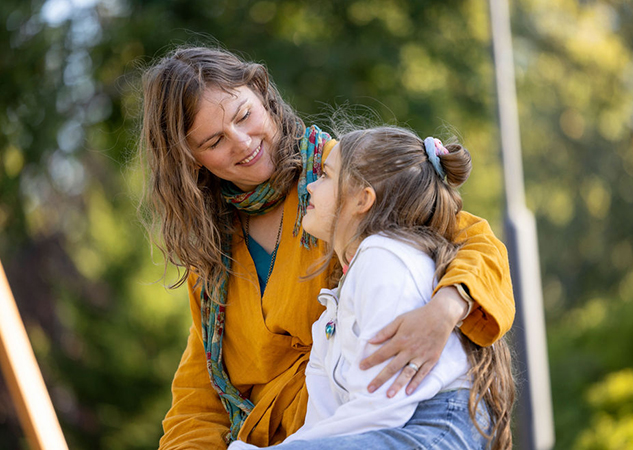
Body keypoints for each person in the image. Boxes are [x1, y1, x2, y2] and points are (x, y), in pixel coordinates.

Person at [138, 46, 515, 449]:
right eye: (215, 141)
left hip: (382, 424)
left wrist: (445, 309)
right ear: (190, 159)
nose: (243, 142)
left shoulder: (345, 176)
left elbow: (475, 242)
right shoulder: (210, 252)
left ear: (262, 95)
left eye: (245, 116)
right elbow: (200, 398)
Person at [228, 127, 515, 450]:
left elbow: (382, 408)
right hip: (392, 426)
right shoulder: (334, 306)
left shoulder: (385, 260)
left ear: (363, 199)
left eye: (324, 176)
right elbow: (322, 425)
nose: (309, 186)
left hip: (436, 427)